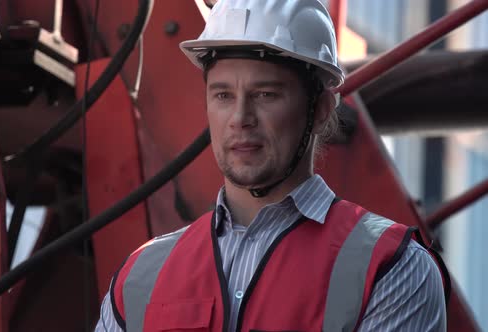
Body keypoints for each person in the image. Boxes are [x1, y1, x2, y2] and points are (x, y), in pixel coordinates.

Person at [95, 0, 449, 331]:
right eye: (223, 95)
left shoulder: (392, 268)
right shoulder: (139, 279)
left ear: (322, 109)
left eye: (266, 94)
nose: (240, 118)